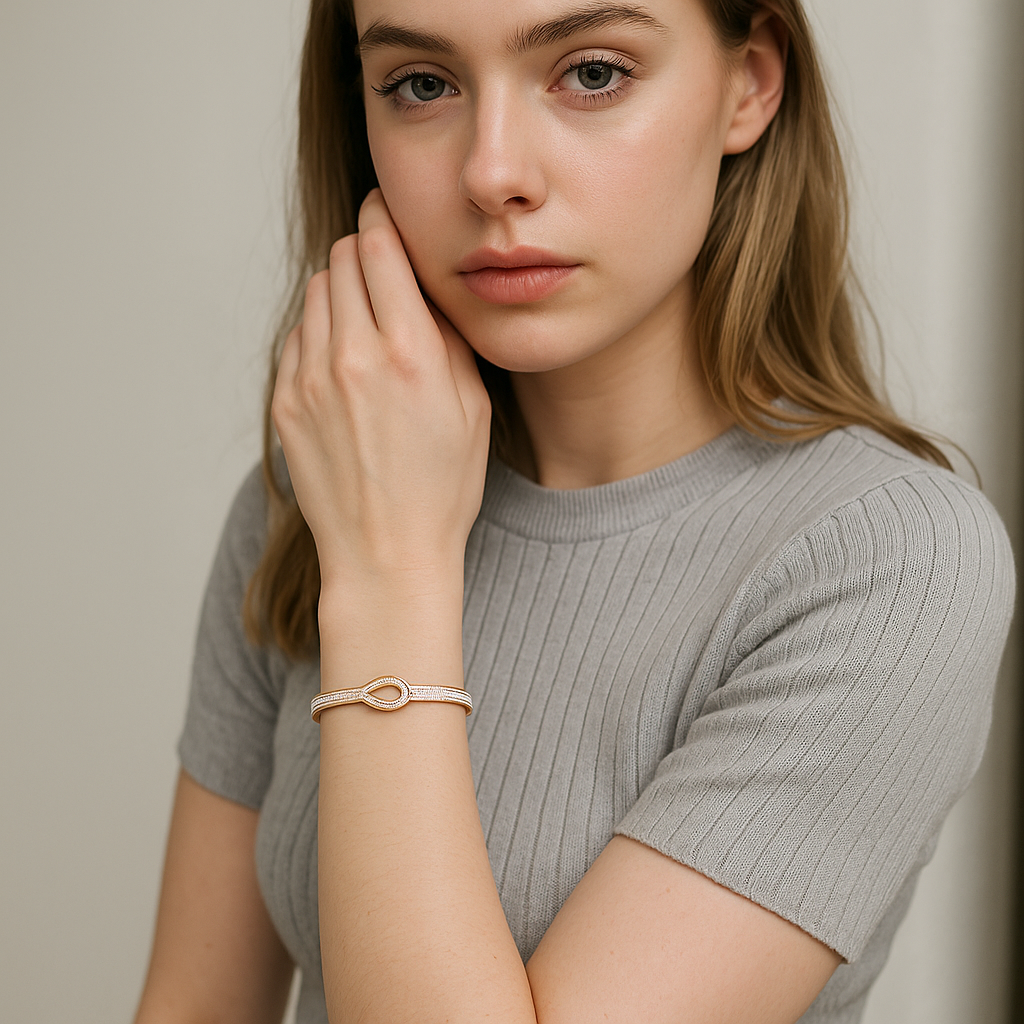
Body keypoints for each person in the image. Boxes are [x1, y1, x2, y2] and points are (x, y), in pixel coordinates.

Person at [133, 0, 1015, 1022]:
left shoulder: (888, 563)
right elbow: (190, 1004)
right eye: (422, 85)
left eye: (591, 73)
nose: (492, 172)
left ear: (750, 82)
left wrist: (391, 581)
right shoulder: (324, 488)